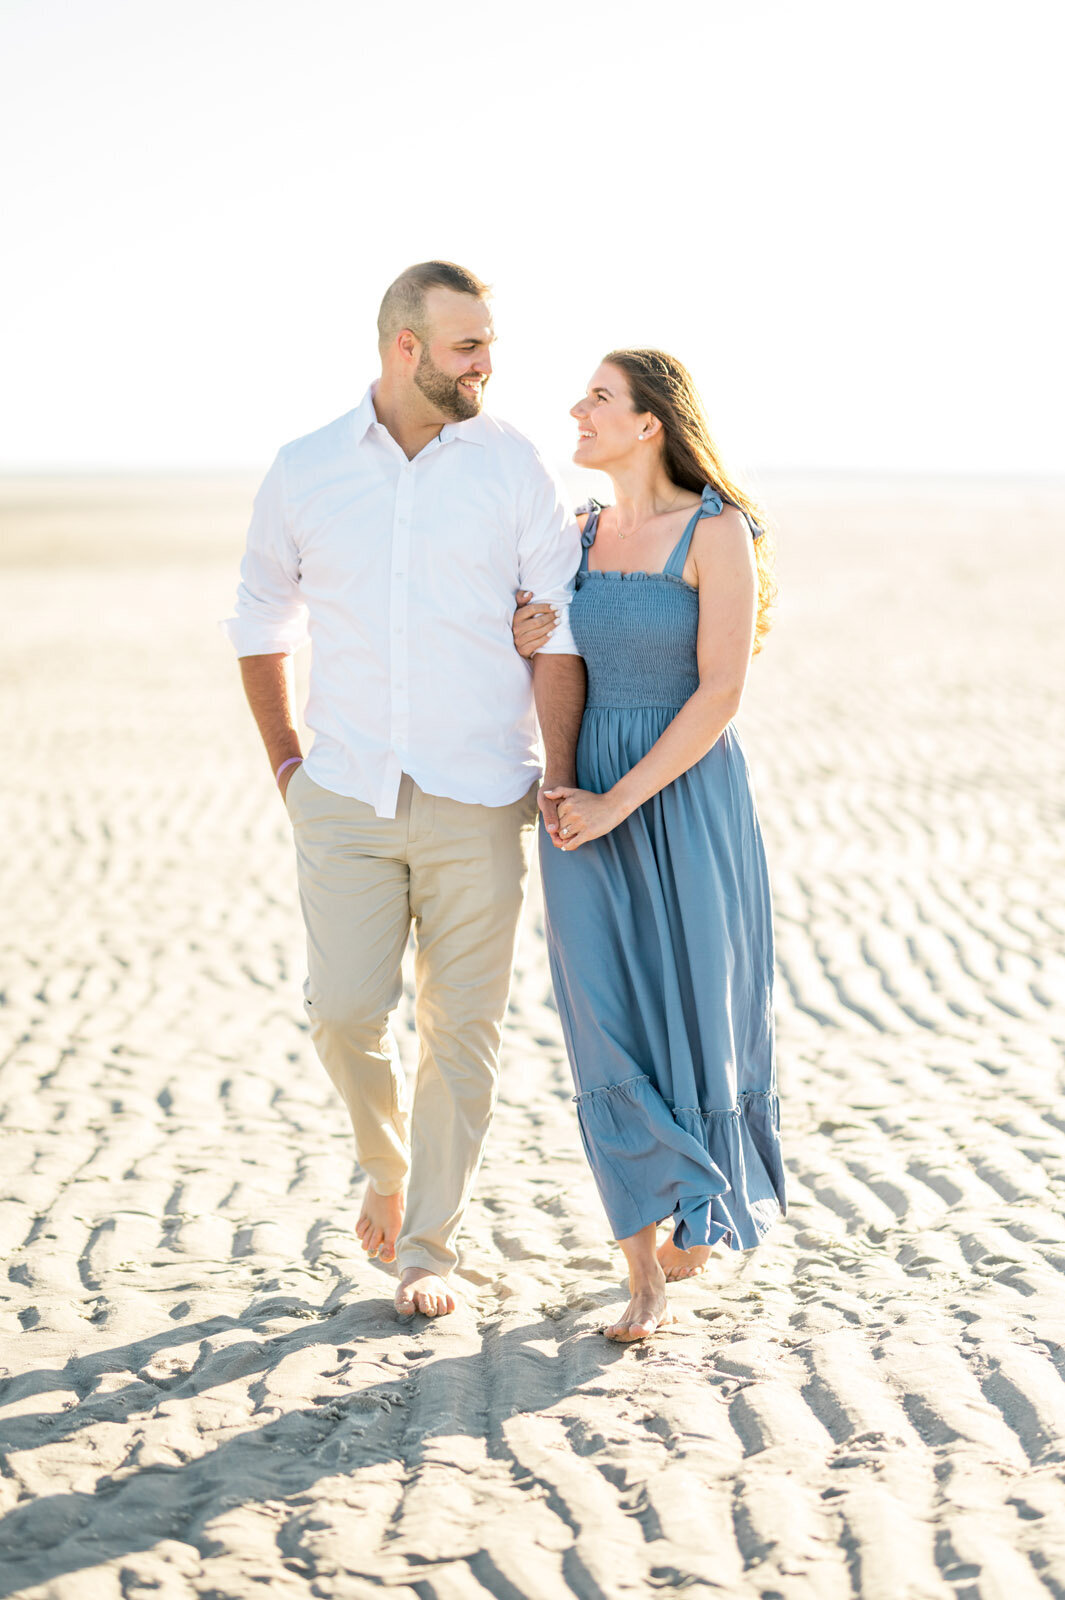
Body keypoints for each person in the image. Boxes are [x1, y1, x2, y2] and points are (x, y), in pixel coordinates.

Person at [223, 261, 585, 1319]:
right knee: (341, 1013)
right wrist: (289, 767)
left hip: (480, 793)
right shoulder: (307, 469)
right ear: (404, 348)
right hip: (343, 794)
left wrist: (556, 778)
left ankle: (427, 1245)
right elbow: (258, 623)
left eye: (490, 344)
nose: (487, 363)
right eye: (468, 345)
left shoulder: (513, 463)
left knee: (461, 1033)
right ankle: (385, 1167)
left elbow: (555, 621)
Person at [513, 348, 784, 1341]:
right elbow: (556, 655)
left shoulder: (717, 533)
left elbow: (720, 692)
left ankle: (701, 1212)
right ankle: (643, 1269)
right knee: (600, 1011)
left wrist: (620, 799)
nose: (576, 409)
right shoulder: (577, 532)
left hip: (680, 793)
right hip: (581, 802)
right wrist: (530, 632)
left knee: (694, 999)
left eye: (598, 397)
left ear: (649, 424)